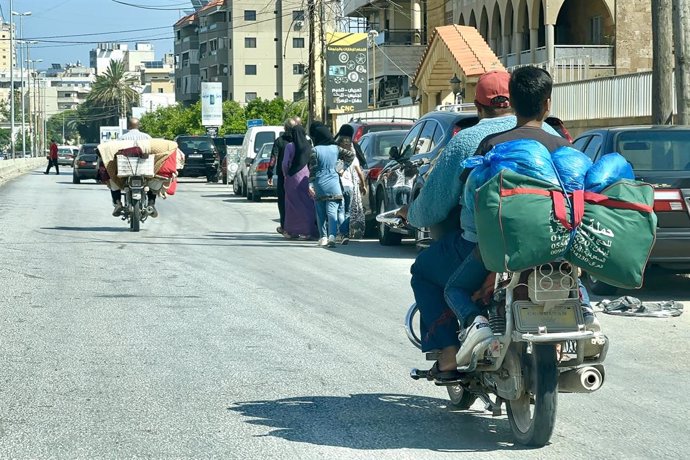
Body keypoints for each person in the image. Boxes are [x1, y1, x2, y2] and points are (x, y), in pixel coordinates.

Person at [397, 70, 563, 382]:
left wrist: (411, 214)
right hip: (551, 241)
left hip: (485, 245)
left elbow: (433, 206)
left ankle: (447, 356)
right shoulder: (559, 140)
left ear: (478, 106)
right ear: (546, 104)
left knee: (424, 271)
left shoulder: (479, 142)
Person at [445, 66, 595, 370]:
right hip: (557, 242)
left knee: (454, 288)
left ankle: (478, 326)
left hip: (503, 248)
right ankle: (587, 313)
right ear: (547, 103)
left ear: (511, 102)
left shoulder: (493, 145)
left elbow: (472, 197)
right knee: (572, 275)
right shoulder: (564, 147)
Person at [307, 121, 354, 247]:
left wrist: (310, 184)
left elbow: (313, 169)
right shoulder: (336, 148)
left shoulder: (314, 150)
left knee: (321, 212)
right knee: (332, 210)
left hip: (319, 183)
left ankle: (323, 237)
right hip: (334, 183)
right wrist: (343, 167)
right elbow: (351, 155)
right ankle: (332, 235)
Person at [111, 117, 158, 217]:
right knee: (153, 183)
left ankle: (118, 203)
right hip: (144, 169)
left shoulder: (122, 138)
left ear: (128, 126)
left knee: (113, 182)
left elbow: (116, 152)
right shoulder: (147, 137)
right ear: (139, 126)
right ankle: (151, 204)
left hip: (126, 169)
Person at [282, 125, 318, 239]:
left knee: (291, 205)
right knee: (307, 205)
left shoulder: (290, 146)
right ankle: (308, 231)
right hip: (306, 177)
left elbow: (285, 163)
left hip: (292, 178)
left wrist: (286, 174)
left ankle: (291, 231)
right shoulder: (309, 146)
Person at [268, 118, 297, 236]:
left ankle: (285, 227)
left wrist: (269, 173)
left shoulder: (279, 141)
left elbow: (273, 159)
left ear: (284, 128)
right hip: (298, 176)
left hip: (283, 176)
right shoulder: (300, 140)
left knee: (282, 202)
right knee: (297, 202)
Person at [335, 135, 366, 244]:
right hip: (350, 186)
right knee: (347, 211)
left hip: (339, 185)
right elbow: (359, 172)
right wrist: (363, 185)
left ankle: (341, 233)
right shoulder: (353, 157)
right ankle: (345, 233)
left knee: (340, 210)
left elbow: (338, 171)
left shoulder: (337, 156)